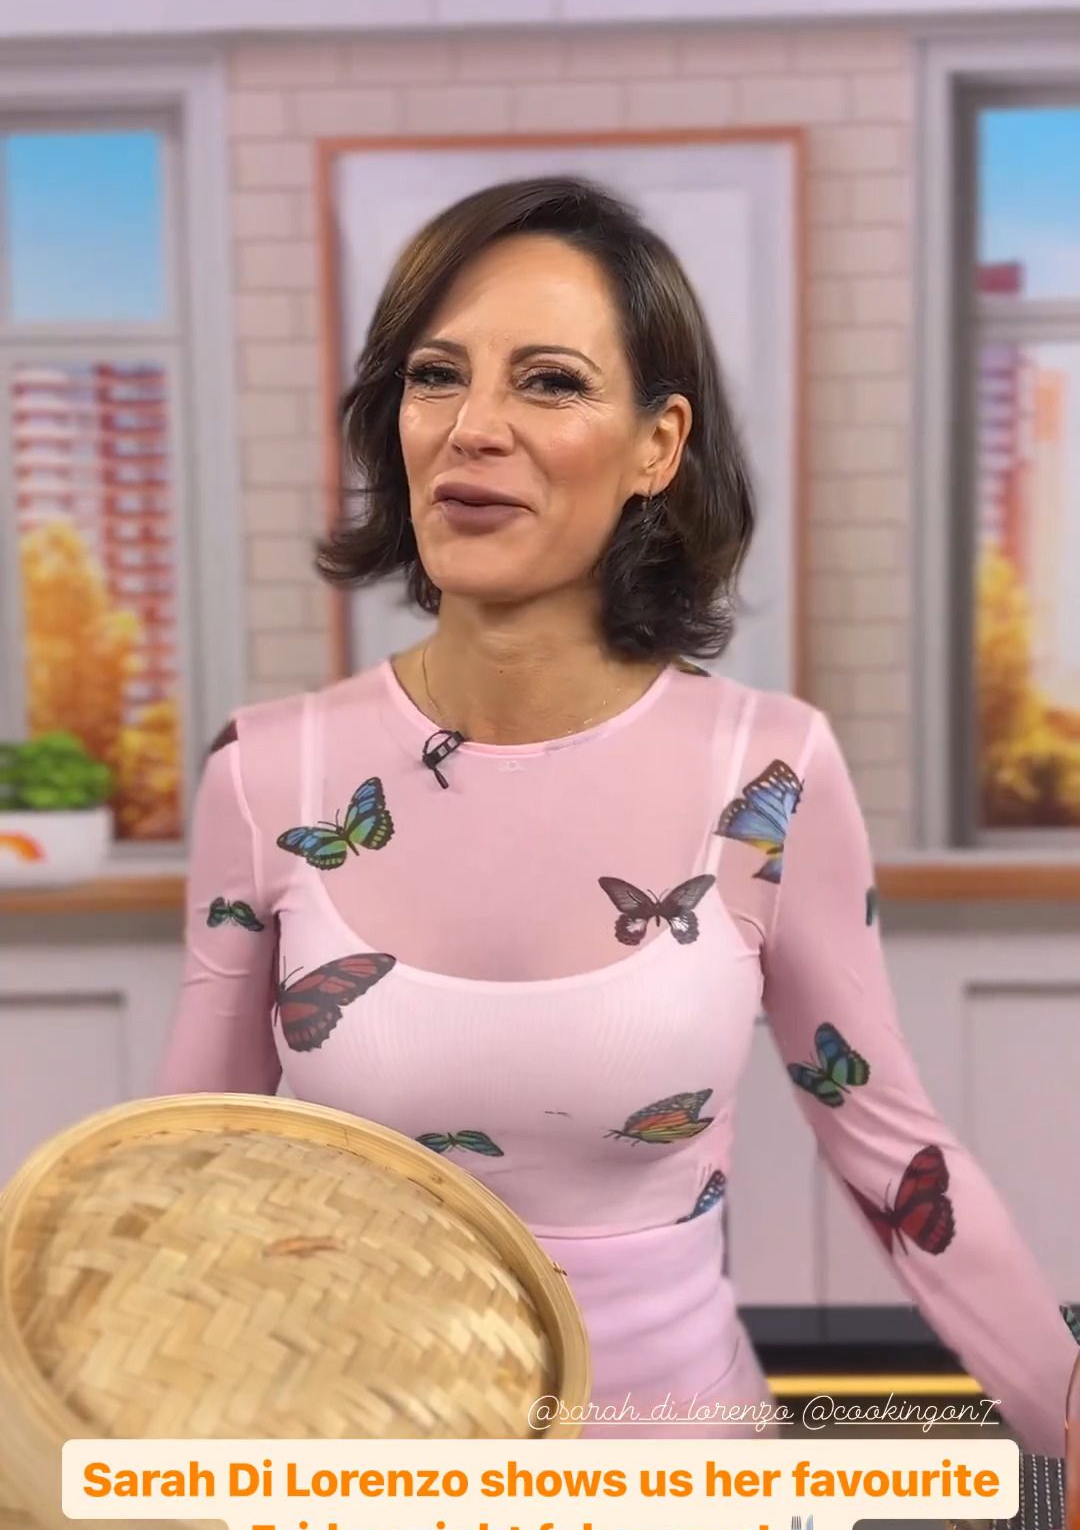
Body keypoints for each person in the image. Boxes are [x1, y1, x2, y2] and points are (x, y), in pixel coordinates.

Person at [158, 175, 1075, 1453]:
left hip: (686, 1496)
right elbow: (188, 1177)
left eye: (549, 382)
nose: (475, 427)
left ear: (658, 445)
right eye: (436, 376)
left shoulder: (770, 767)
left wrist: (1068, 1425)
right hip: (371, 1506)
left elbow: (894, 1156)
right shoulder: (266, 774)